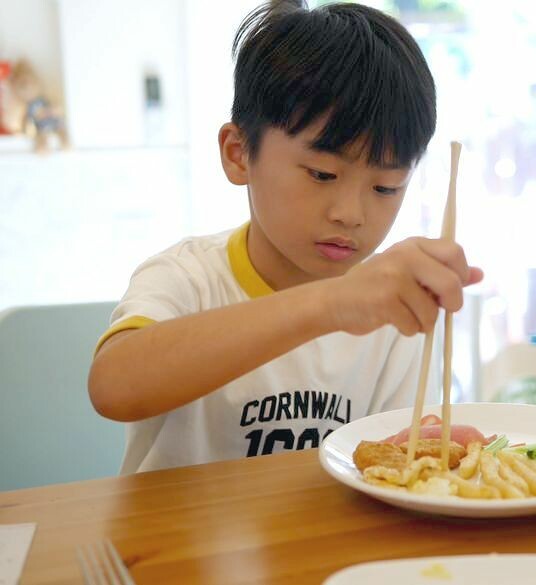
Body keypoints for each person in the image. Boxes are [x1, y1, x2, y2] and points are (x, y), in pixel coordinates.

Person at [88, 0, 482, 474]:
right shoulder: (187, 277)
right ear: (239, 154)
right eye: (321, 174)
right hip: (172, 546)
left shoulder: (394, 314)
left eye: (385, 187)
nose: (351, 214)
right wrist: (328, 304)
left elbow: (386, 469)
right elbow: (114, 388)